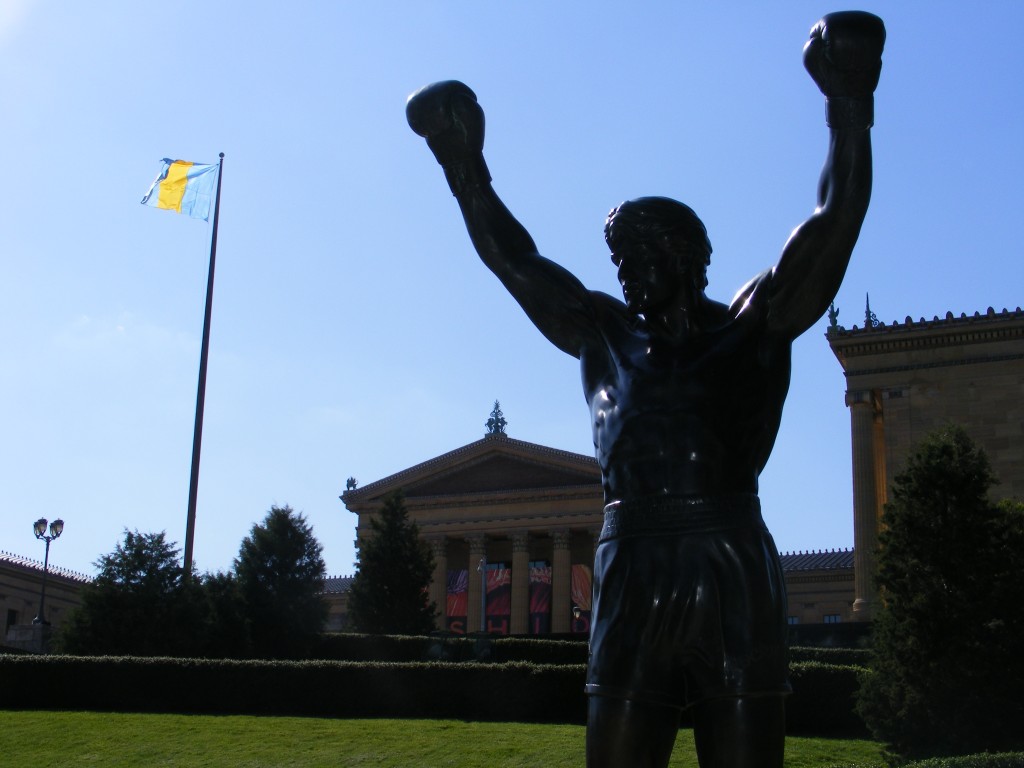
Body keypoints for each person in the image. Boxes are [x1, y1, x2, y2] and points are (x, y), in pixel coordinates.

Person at [406, 11, 884, 767]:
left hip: (727, 562)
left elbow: (834, 223)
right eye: (616, 256)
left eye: (638, 252)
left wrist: (848, 104)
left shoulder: (754, 329)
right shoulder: (606, 339)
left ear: (687, 255)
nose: (624, 269)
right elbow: (517, 262)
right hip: (630, 566)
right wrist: (464, 166)